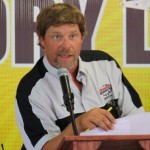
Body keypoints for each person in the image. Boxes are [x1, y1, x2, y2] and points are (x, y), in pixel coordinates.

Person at [15, 3, 144, 150]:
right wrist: (78, 125)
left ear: (82, 37)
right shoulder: (30, 90)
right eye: (57, 36)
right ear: (42, 39)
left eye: (73, 36)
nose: (66, 45)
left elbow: (138, 121)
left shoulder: (106, 64)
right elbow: (43, 148)